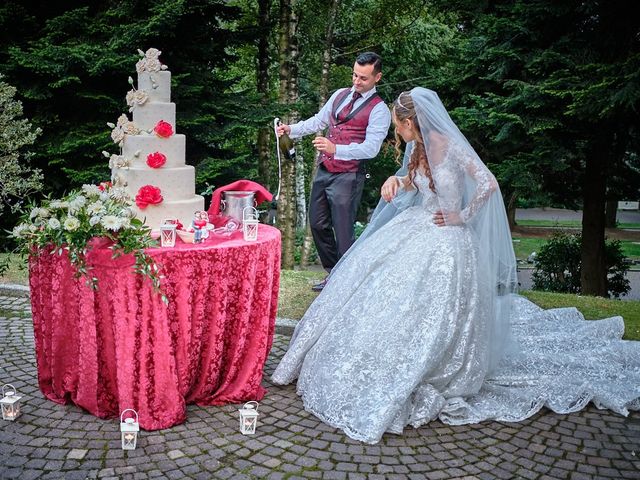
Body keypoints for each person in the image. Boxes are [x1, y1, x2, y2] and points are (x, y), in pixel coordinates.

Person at [272, 87, 640, 444]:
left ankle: (431, 360)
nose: (396, 131)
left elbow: (488, 184)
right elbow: (416, 186)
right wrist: (396, 181)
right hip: (416, 225)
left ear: (411, 122)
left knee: (431, 304)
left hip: (447, 237)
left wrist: (462, 215)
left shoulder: (452, 148)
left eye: (399, 125)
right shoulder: (417, 147)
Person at [276, 52, 391, 291]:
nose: (357, 82)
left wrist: (335, 148)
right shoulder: (339, 94)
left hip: (350, 175)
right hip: (325, 169)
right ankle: (334, 273)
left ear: (377, 77)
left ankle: (345, 283)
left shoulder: (380, 110)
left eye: (364, 78)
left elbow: (371, 149)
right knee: (317, 224)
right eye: (355, 75)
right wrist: (291, 129)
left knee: (344, 231)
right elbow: (318, 121)